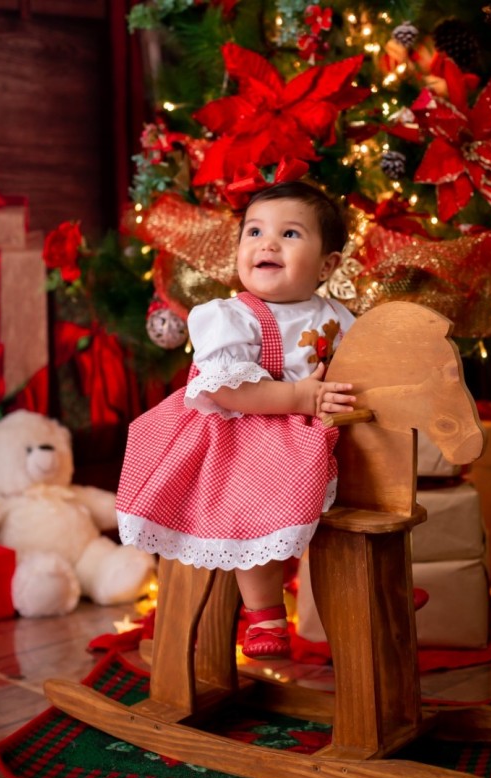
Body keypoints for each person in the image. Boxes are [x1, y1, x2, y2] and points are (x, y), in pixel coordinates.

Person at [115, 167, 358, 659]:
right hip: (247, 438)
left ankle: (367, 590)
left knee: (365, 488)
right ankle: (265, 612)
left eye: (290, 234)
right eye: (255, 231)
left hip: (319, 432)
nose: (267, 243)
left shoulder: (337, 316)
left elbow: (364, 362)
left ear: (327, 264)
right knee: (251, 514)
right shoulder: (233, 317)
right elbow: (230, 391)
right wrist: (299, 398)